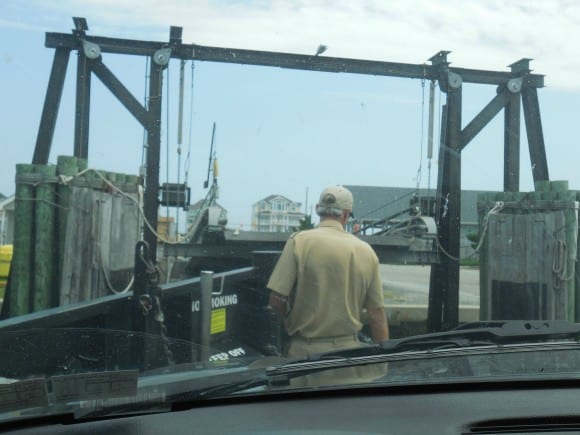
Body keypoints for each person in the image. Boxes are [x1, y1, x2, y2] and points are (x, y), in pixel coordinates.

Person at [267, 185, 389, 361]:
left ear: (318, 210)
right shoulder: (366, 251)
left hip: (303, 354)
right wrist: (384, 361)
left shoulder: (298, 242)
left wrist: (289, 321)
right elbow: (377, 315)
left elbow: (276, 301)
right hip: (349, 355)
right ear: (346, 214)